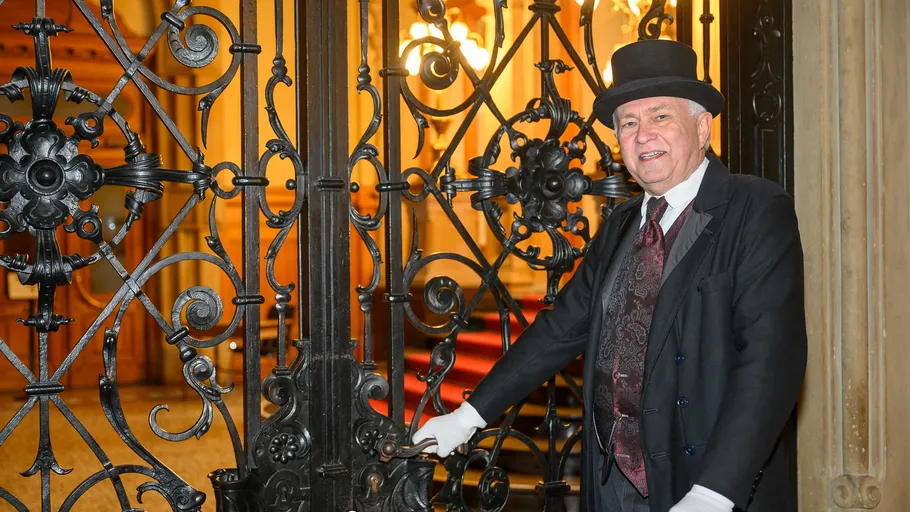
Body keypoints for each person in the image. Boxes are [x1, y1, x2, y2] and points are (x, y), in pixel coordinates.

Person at [412, 39, 806, 512]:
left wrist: (716, 489)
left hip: (702, 485)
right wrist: (469, 416)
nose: (643, 136)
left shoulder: (756, 209)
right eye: (628, 124)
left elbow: (771, 361)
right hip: (613, 487)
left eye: (660, 117)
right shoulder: (621, 224)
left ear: (702, 127)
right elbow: (560, 329)